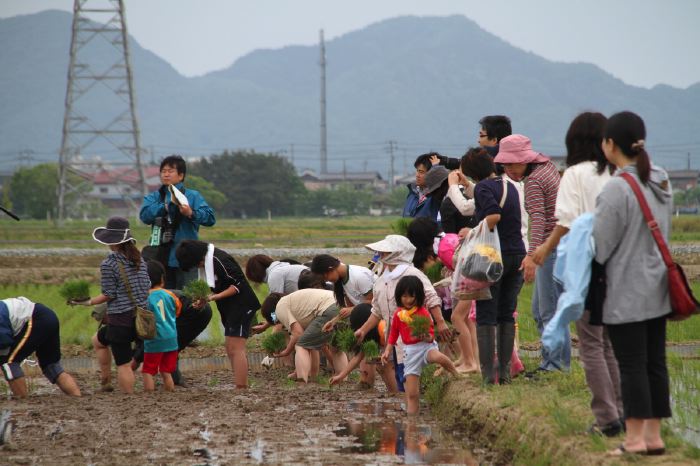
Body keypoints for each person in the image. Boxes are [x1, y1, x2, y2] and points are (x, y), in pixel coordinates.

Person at [532, 112, 622, 436]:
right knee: (610, 342)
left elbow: (568, 220)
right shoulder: (617, 173)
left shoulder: (575, 174)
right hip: (619, 263)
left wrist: (544, 248)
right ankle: (621, 411)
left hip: (588, 264)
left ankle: (606, 418)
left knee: (591, 342)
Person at [593, 111, 672, 456]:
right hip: (659, 287)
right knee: (655, 362)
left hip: (625, 292)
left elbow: (601, 246)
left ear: (610, 145)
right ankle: (654, 437)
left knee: (631, 365)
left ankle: (635, 440)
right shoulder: (661, 178)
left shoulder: (616, 188)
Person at [495, 134, 568, 372]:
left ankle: (555, 366)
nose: (509, 170)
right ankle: (556, 363)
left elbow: (538, 219)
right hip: (559, 245)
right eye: (504, 165)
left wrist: (532, 256)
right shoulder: (547, 168)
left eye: (512, 164)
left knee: (547, 312)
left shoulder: (534, 181)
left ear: (524, 160)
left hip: (550, 248)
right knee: (543, 310)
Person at [354, 235, 451, 392]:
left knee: (414, 376)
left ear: (397, 253)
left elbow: (432, 297)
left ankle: (417, 404)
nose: (381, 255)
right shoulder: (380, 280)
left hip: (415, 337)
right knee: (401, 376)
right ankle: (407, 407)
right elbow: (377, 311)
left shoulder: (412, 274)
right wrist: (363, 330)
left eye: (385, 252)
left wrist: (440, 322)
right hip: (393, 338)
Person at [461, 150, 525, 384]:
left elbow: (494, 216)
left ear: (473, 173)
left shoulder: (482, 188)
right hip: (517, 254)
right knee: (507, 313)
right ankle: (505, 373)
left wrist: (472, 231)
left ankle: (489, 375)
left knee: (487, 314)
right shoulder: (509, 184)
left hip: (494, 258)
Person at [73, 217, 150, 394]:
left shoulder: (109, 263)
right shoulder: (140, 260)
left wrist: (88, 302)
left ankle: (127, 397)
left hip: (120, 320)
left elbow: (108, 295)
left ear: (111, 242)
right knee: (98, 340)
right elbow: (146, 288)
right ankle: (105, 382)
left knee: (123, 364)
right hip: (142, 318)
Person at [175, 240, 261, 389]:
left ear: (198, 258)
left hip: (241, 305)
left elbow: (237, 285)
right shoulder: (209, 261)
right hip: (230, 307)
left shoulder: (219, 260)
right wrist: (204, 299)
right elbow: (215, 286)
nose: (198, 267)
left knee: (236, 348)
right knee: (229, 347)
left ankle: (242, 386)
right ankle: (240, 383)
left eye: (197, 264)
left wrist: (214, 297)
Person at [406, 217, 478, 373]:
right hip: (475, 278)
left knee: (456, 318)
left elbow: (461, 270)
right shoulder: (449, 237)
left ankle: (470, 362)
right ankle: (468, 358)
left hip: (471, 281)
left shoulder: (442, 249)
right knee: (467, 320)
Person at [381, 276, 459, 415]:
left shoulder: (423, 313)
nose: (408, 300)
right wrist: (387, 350)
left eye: (412, 296)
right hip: (410, 353)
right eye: (404, 296)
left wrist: (426, 337)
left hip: (425, 347)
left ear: (419, 296)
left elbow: (430, 337)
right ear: (399, 296)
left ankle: (456, 373)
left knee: (439, 358)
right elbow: (393, 334)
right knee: (412, 394)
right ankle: (412, 421)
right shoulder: (398, 314)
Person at [140, 155, 216, 289]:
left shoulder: (193, 196)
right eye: (163, 171)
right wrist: (165, 207)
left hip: (187, 256)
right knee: (164, 297)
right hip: (160, 256)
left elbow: (210, 218)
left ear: (181, 176)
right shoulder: (154, 197)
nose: (166, 174)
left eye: (170, 171)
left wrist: (191, 213)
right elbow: (145, 216)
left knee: (189, 298)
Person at [260, 289, 348, 383]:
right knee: (336, 348)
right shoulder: (295, 305)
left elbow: (298, 333)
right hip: (342, 306)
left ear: (272, 312)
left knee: (301, 345)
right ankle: (341, 379)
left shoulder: (280, 307)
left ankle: (302, 380)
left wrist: (286, 351)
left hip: (328, 309)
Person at [1, 297, 81, 398]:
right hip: (47, 316)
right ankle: (77, 397)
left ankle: (22, 401)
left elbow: (4, 341)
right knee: (51, 365)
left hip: (36, 318)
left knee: (9, 362)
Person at [328, 303, 398, 392]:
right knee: (383, 366)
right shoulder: (371, 333)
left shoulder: (384, 329)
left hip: (401, 350)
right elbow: (357, 358)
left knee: (387, 367)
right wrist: (341, 376)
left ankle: (397, 396)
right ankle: (394, 395)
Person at [142, 260, 180, 392]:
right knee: (166, 371)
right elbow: (178, 310)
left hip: (154, 340)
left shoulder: (145, 297)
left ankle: (149, 395)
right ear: (162, 279)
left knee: (148, 371)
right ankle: (169, 393)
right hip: (172, 338)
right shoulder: (170, 295)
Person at [402, 153, 440, 219]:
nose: (417, 175)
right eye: (417, 171)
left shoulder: (438, 196)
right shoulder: (412, 194)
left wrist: (435, 168)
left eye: (421, 172)